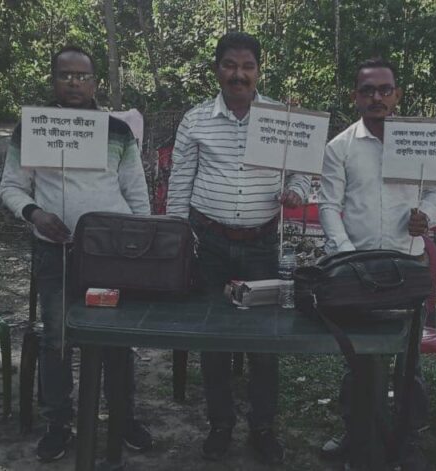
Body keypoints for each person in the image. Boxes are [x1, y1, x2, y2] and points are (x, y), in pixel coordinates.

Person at [0, 46, 153, 462]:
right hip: (56, 252)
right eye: (64, 75)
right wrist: (35, 214)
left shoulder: (117, 130)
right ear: (53, 80)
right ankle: (58, 422)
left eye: (81, 76)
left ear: (95, 83)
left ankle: (123, 418)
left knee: (117, 340)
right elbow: (10, 186)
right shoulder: (34, 128)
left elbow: (136, 191)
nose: (73, 82)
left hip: (113, 254)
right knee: (57, 340)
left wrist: (140, 241)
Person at [165, 31, 309, 465]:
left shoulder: (281, 119)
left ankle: (263, 427)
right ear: (217, 69)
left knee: (265, 342)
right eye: (230, 65)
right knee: (214, 339)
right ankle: (220, 424)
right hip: (208, 242)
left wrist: (297, 193)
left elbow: (300, 176)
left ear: (259, 71)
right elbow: (180, 183)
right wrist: (177, 240)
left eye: (247, 66)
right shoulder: (195, 120)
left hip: (263, 244)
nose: (238, 74)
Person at [318, 57, 436, 470]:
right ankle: (357, 432)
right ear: (355, 96)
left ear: (397, 95)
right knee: (359, 358)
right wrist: (345, 252)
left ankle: (407, 438)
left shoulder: (420, 142)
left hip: (407, 266)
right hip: (356, 270)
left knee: (409, 360)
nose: (376, 97)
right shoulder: (339, 147)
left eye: (384, 89)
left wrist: (427, 215)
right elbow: (329, 205)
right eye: (368, 90)